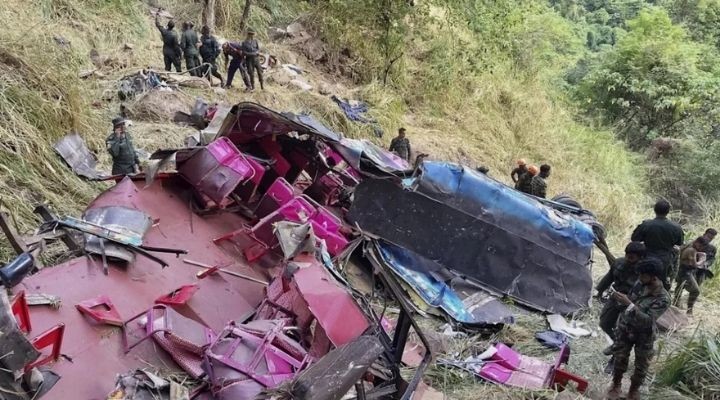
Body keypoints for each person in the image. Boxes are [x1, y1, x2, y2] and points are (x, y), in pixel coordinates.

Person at [606, 258, 670, 400]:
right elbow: (631, 299)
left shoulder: (663, 298)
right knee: (620, 357)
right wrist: (619, 299)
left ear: (654, 277)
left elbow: (648, 320)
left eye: (643, 275)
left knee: (642, 365)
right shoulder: (640, 283)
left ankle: (633, 390)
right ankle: (616, 384)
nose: (640, 277)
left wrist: (629, 304)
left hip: (644, 334)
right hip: (626, 327)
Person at [596, 242, 646, 351]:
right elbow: (608, 278)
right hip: (616, 297)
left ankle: (619, 351)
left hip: (632, 303)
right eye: (627, 255)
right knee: (604, 323)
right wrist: (599, 291)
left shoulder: (645, 271)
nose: (628, 259)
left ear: (640, 258)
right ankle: (616, 343)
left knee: (625, 330)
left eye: (632, 258)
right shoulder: (619, 263)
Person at [631, 200, 684, 290]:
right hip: (665, 259)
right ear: (668, 211)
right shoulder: (676, 227)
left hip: (647, 256)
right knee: (659, 283)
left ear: (655, 209)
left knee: (641, 279)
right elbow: (679, 243)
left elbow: (634, 238)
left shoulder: (646, 224)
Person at [673, 236, 709, 315]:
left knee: (679, 288)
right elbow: (694, 265)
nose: (701, 248)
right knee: (696, 291)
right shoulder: (692, 250)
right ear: (697, 243)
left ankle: (675, 304)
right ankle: (689, 310)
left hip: (681, 270)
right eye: (700, 246)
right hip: (686, 272)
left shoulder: (688, 246)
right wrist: (702, 259)